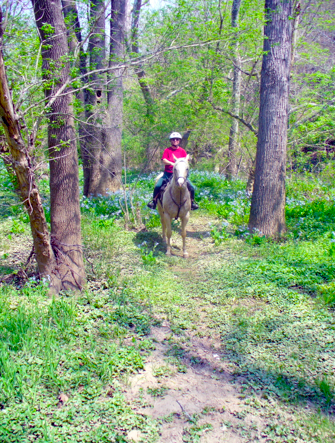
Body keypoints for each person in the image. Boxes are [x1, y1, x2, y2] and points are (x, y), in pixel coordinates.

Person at [147, 132, 199, 210]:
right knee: (158, 185)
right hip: (168, 174)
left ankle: (191, 203)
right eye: (173, 139)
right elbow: (164, 160)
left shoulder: (182, 151)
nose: (175, 140)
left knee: (191, 187)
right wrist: (173, 163)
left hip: (180, 175)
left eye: (177, 139)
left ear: (179, 141)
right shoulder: (167, 150)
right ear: (171, 141)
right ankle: (154, 202)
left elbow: (186, 162)